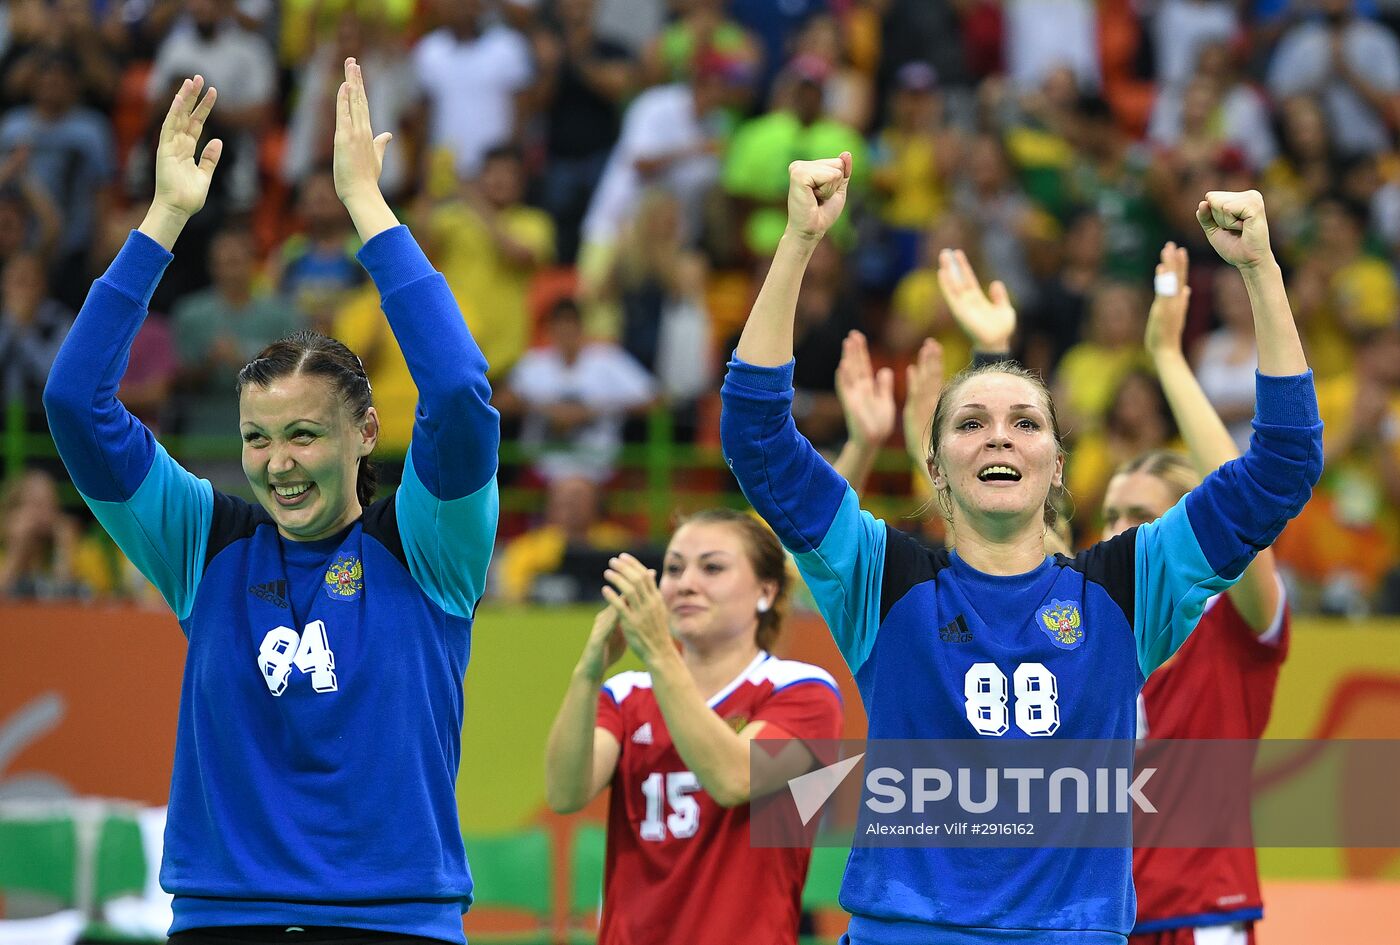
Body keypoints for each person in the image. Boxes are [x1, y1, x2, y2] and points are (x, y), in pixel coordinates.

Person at [718, 152, 1322, 944]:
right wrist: (798, 241)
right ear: (935, 468)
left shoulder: (1128, 585)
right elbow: (756, 438)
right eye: (970, 422)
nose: (999, 433)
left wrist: (1262, 272)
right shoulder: (881, 575)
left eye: (1026, 421)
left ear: (1057, 465)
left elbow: (1282, 463)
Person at [43, 61, 499, 945]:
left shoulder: (429, 545)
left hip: (396, 925)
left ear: (365, 432)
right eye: (258, 439)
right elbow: (74, 404)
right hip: (223, 921)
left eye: (304, 435)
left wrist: (368, 207)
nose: (277, 465)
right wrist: (166, 217)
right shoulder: (203, 543)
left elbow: (459, 392)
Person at [544, 508, 844, 945]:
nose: (686, 583)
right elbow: (565, 793)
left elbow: (734, 779)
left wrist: (660, 654)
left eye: (712, 567)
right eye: (673, 568)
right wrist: (588, 672)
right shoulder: (626, 694)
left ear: (766, 590)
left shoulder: (806, 692)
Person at [1115, 243, 1289, 945]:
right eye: (1110, 515)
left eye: (1139, 514)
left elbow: (1240, 505)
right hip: (1100, 914)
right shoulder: (1092, 624)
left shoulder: (1232, 620)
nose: (1119, 530)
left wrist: (1167, 361)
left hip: (1200, 913)